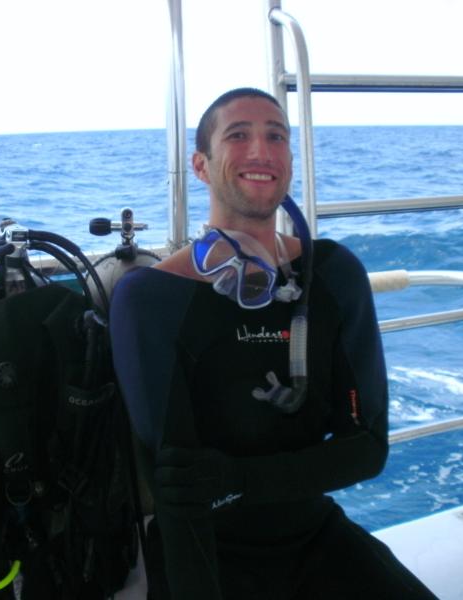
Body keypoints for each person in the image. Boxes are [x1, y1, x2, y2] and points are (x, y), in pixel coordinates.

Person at [109, 87, 437, 599]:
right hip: (210, 552)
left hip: (314, 536)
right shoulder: (152, 298)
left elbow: (367, 451)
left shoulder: (332, 274)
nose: (261, 150)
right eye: (238, 135)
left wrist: (237, 476)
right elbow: (181, 494)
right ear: (201, 165)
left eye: (276, 136)